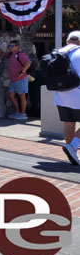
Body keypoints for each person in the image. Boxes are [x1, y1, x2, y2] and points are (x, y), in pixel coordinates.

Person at [53, 31, 80, 165]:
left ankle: (72, 154)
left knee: (69, 123)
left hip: (60, 95)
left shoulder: (57, 52)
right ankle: (72, 147)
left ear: (68, 40)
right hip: (77, 95)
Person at [0, 40, 31, 120]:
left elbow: (28, 62)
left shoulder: (20, 55)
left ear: (17, 47)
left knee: (22, 96)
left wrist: (22, 72)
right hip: (13, 80)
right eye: (9, 46)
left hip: (21, 79)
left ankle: (23, 114)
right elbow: (2, 54)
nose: (10, 47)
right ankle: (17, 112)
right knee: (11, 95)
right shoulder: (10, 55)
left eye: (12, 46)